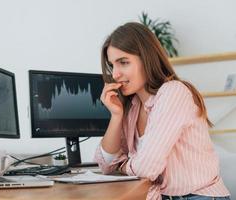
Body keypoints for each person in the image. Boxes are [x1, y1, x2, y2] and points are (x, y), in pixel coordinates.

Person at [94, 22, 231, 200]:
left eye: (124, 63)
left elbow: (147, 168)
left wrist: (123, 165)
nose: (115, 74)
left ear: (147, 58)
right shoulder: (133, 106)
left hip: (199, 197)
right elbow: (106, 165)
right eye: (112, 65)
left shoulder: (174, 92)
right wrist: (116, 116)